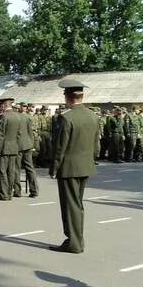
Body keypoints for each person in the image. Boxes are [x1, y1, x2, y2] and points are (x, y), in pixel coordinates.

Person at [49, 79, 98, 254]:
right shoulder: (93, 116)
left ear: (68, 97)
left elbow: (60, 147)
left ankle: (73, 243)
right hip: (85, 166)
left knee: (70, 206)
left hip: (68, 168)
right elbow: (96, 145)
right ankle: (77, 240)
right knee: (77, 204)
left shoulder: (66, 117)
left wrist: (54, 168)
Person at [0, 96, 21, 201]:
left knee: (2, 171)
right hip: (14, 148)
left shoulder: (3, 116)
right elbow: (19, 134)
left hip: (4, 148)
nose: (0, 108)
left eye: (0, 106)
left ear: (4, 105)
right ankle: (9, 193)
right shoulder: (17, 116)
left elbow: (0, 135)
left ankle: (3, 194)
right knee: (11, 172)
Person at [16, 106, 39, 198]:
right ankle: (34, 190)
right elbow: (31, 132)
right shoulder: (27, 118)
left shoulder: (15, 118)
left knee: (16, 169)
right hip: (27, 145)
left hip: (18, 145)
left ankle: (17, 191)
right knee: (30, 168)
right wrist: (32, 144)